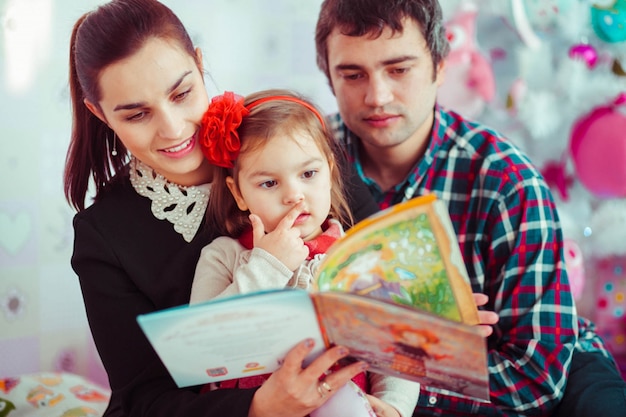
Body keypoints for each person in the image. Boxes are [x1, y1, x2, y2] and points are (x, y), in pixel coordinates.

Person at [63, 1, 378, 416]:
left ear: (200, 63)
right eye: (138, 114)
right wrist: (260, 407)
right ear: (100, 114)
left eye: (182, 93)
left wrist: (445, 319)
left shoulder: (292, 147)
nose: (173, 129)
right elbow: (143, 400)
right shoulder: (104, 234)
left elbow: (391, 279)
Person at [313, 0, 626, 416]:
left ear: (440, 65)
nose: (378, 96)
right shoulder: (304, 164)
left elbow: (536, 380)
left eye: (399, 69)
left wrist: (404, 387)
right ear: (329, 78)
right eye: (352, 75)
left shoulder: (507, 182)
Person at [189, 89, 421, 417]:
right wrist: (267, 265)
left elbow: (397, 351)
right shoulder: (224, 256)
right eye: (269, 183)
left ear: (329, 173)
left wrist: (395, 407)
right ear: (238, 194)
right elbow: (201, 347)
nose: (293, 195)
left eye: (308, 175)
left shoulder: (361, 258)